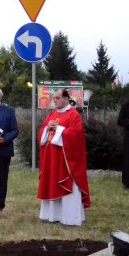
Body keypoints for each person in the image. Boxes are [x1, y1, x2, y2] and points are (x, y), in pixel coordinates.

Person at [37, 88, 90, 225]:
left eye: (58, 98)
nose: (55, 100)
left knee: (68, 187)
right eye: (54, 98)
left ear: (66, 99)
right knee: (51, 183)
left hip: (65, 160)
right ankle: (51, 216)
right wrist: (47, 128)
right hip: (51, 158)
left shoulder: (74, 115)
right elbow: (42, 132)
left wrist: (59, 129)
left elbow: (76, 135)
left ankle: (70, 218)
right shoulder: (52, 114)